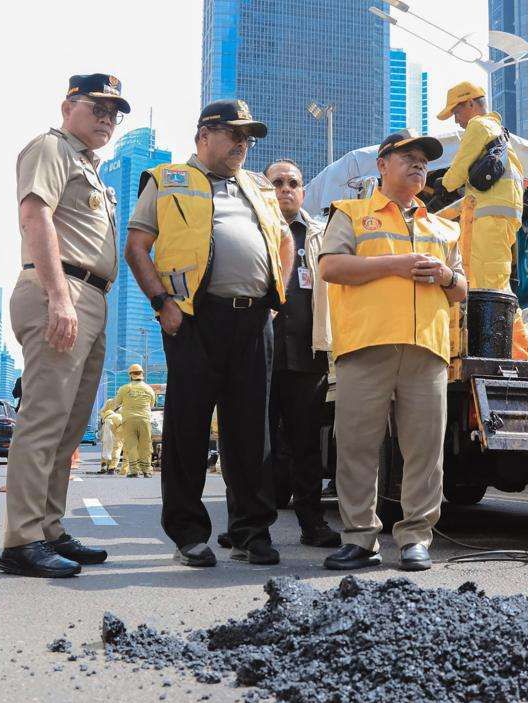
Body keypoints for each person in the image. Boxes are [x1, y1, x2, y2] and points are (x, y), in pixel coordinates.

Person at [125, 99, 294, 567]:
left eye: (249, 137)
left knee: (249, 432)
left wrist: (274, 303)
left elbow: (284, 239)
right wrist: (163, 306)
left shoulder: (258, 187)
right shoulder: (168, 180)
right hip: (194, 320)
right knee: (187, 430)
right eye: (234, 135)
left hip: (253, 321)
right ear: (204, 136)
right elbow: (137, 247)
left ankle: (251, 532)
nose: (243, 144)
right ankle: (188, 533)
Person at [0, 74, 129, 578]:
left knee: (69, 427)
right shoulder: (51, 147)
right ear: (68, 104)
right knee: (44, 420)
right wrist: (58, 297)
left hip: (89, 295)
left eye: (114, 112)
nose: (107, 118)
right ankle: (22, 538)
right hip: (61, 290)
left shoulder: (88, 165)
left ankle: (48, 527)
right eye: (97, 107)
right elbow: (36, 217)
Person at [318, 130, 468, 572]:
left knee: (424, 449)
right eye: (409, 157)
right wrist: (396, 265)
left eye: (424, 160)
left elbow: (461, 288)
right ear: (382, 164)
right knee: (358, 447)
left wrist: (444, 275)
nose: (419, 165)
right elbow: (331, 267)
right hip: (367, 344)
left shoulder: (443, 226)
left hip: (427, 350)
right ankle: (361, 538)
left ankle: (416, 537)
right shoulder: (351, 212)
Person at [261, 158, 340, 548]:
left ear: (303, 191)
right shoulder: (253, 229)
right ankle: (250, 525)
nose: (285, 189)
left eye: (293, 182)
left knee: (306, 443)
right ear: (265, 189)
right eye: (277, 183)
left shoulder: (321, 235)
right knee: (255, 443)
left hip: (307, 356)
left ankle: (313, 522)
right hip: (258, 354)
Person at [438, 82, 528, 360]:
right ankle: (518, 349)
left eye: (456, 111)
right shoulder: (501, 133)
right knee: (496, 280)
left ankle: (503, 352)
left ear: (470, 104)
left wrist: (445, 183)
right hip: (499, 218)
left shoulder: (479, 127)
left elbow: (455, 176)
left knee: (487, 284)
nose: (456, 119)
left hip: (489, 218)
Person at [113, 363, 156, 478]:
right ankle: (146, 471)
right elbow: (152, 404)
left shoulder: (124, 388)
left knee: (131, 446)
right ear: (142, 374)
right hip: (144, 419)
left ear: (130, 375)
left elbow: (117, 403)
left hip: (129, 420)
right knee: (145, 445)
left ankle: (134, 471)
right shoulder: (149, 389)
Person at [97, 397, 123, 474]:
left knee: (106, 445)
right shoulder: (126, 403)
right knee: (117, 447)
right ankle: (112, 467)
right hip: (118, 426)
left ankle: (104, 466)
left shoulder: (110, 401)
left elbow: (101, 412)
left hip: (107, 425)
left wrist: (105, 418)